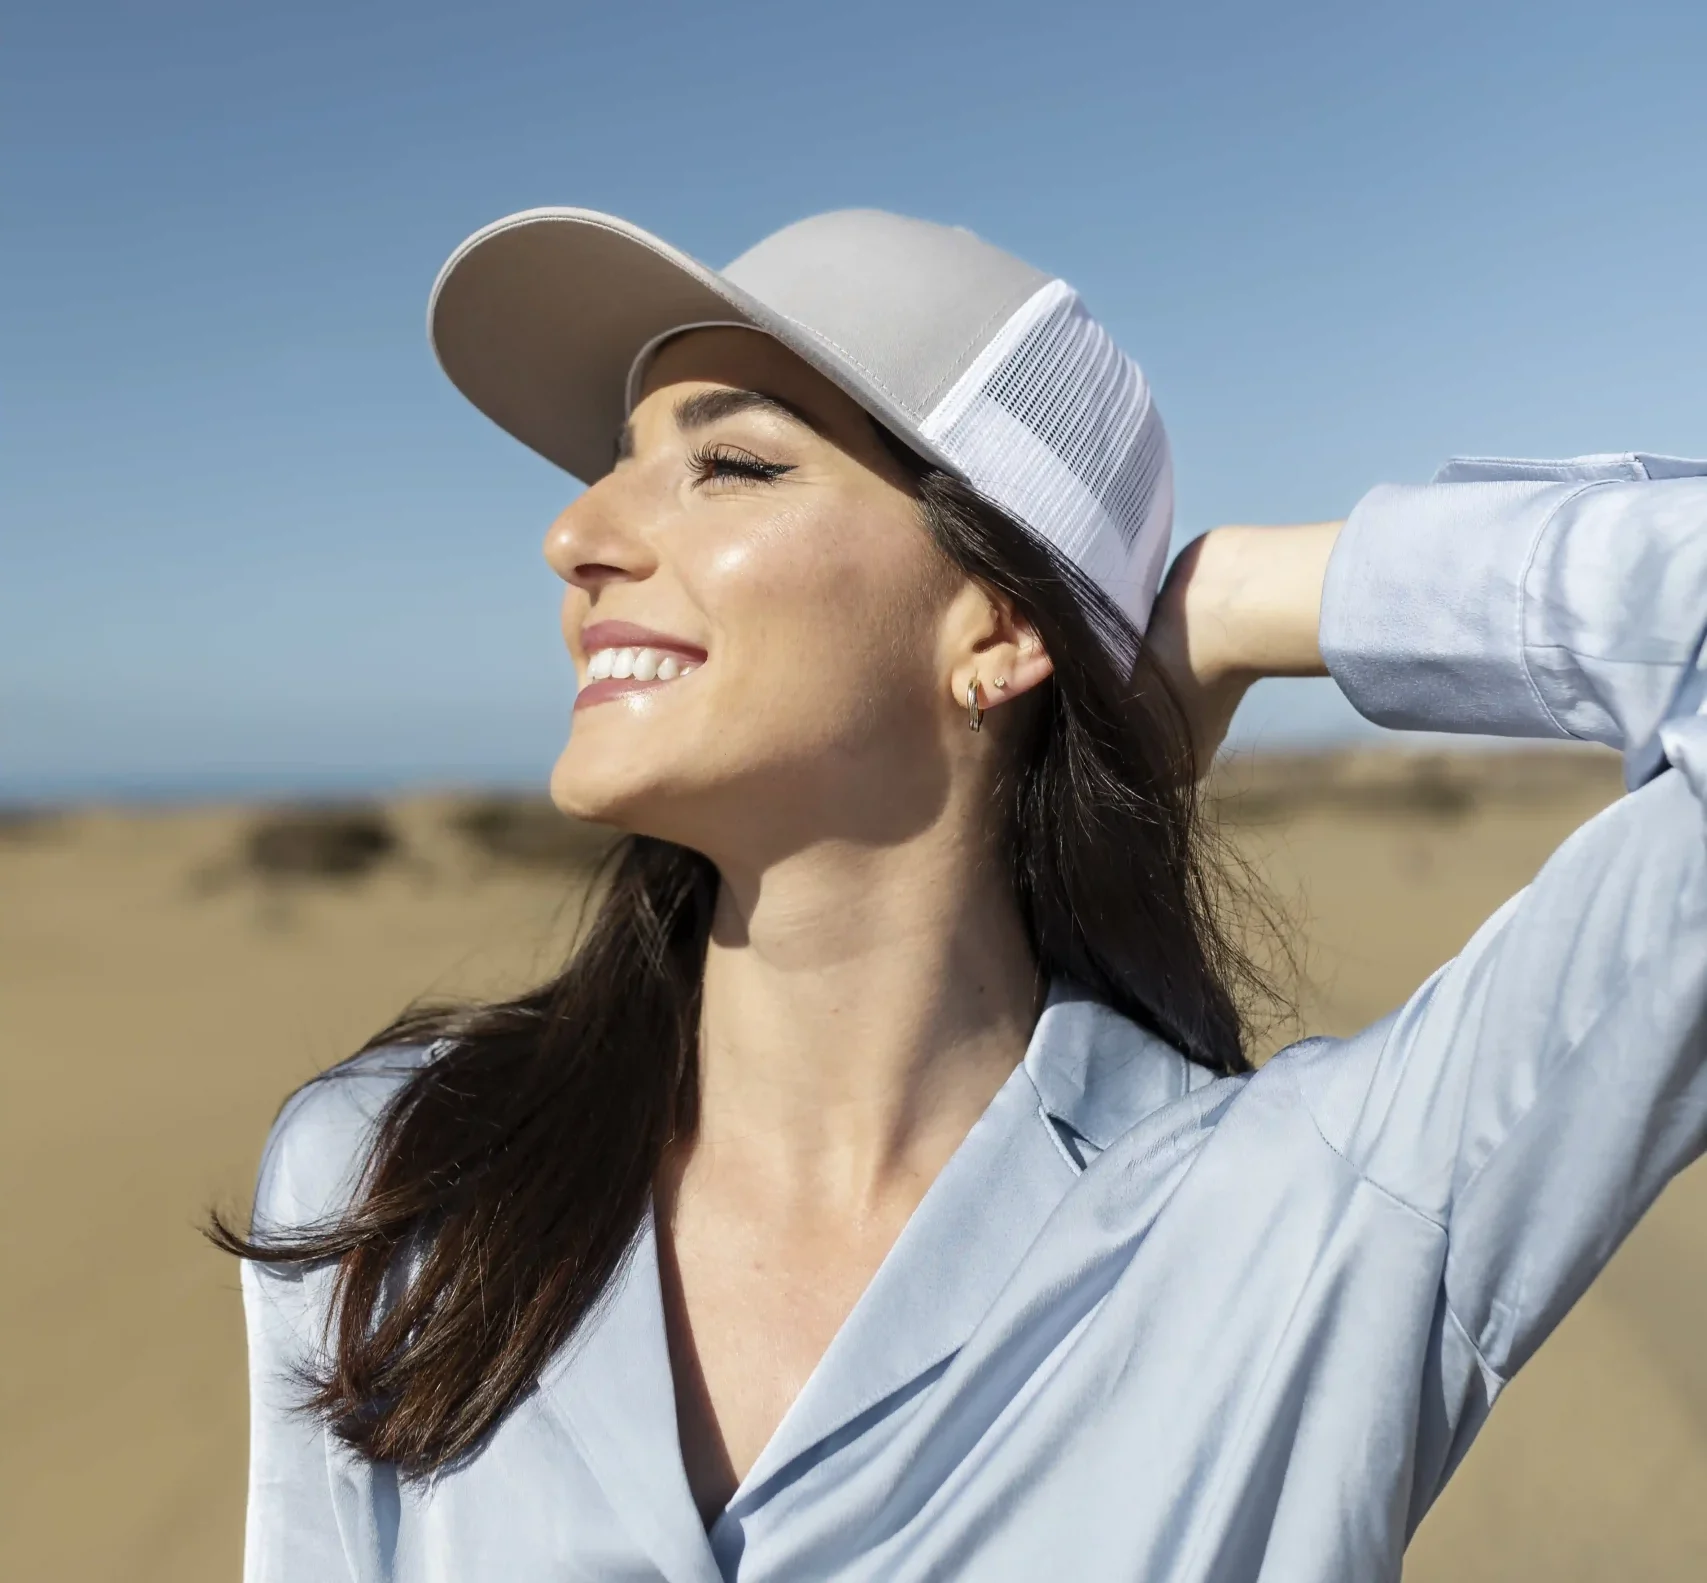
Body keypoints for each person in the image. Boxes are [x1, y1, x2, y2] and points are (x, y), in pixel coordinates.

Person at [221, 207, 1707, 1582]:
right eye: (613, 462)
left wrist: (1252, 599)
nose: (575, 536)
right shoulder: (395, 1172)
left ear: (996, 620)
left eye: (730, 463)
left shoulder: (1323, 1216)